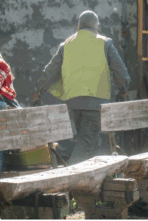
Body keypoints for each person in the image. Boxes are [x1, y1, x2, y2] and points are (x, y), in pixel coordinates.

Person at [33, 10, 131, 163]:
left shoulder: (66, 44)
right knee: (86, 142)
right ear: (96, 26)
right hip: (95, 102)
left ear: (79, 26)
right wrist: (123, 89)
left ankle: (86, 181)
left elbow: (49, 71)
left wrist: (38, 92)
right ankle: (70, 178)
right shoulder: (104, 42)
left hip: (73, 103)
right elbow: (120, 71)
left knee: (87, 141)